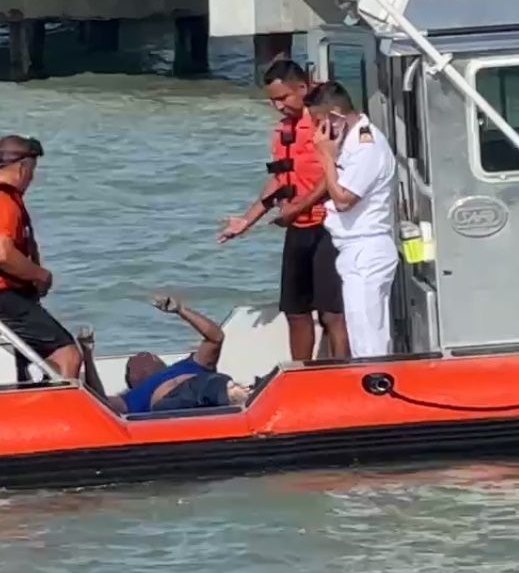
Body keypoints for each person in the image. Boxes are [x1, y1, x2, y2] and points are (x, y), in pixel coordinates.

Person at [218, 59, 349, 361]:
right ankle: (300, 373)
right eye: (272, 101)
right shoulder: (281, 131)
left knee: (332, 314)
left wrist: (299, 206)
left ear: (302, 89)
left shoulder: (324, 120)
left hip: (330, 227)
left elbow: (337, 175)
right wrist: (247, 220)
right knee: (295, 311)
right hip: (297, 228)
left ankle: (343, 372)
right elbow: (280, 179)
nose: (278, 106)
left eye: (283, 98)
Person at [304, 81, 399, 358]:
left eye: (321, 122)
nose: (318, 132)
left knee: (369, 338)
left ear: (335, 114)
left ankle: (377, 385)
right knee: (361, 333)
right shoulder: (350, 141)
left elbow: (344, 199)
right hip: (353, 248)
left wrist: (326, 158)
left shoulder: (365, 145)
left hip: (367, 247)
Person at [0, 135, 82, 379]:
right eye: (32, 170)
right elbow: (2, 253)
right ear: (23, 167)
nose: (32, 179)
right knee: (67, 355)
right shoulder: (4, 199)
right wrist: (41, 274)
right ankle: (62, 413)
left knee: (34, 360)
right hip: (5, 297)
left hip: (15, 297)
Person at [86, 295, 249, 414]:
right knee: (201, 389)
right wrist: (87, 355)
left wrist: (180, 310)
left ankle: (236, 393)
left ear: (162, 363)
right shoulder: (131, 398)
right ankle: (232, 394)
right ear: (131, 381)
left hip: (206, 386)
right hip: (169, 407)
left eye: (149, 356)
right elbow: (99, 403)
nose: (142, 357)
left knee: (209, 383)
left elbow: (215, 337)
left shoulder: (189, 364)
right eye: (133, 364)